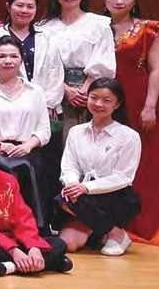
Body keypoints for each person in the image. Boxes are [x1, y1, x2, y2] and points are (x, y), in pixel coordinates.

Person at [103, 0, 159, 245]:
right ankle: (107, 224)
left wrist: (150, 105)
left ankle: (148, 223)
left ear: (135, 0)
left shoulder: (148, 29)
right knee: (107, 158)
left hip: (139, 98)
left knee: (144, 161)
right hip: (102, 100)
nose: (119, 1)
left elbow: (156, 69)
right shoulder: (96, 26)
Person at [0, 121, 73, 280]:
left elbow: (22, 215)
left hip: (11, 237)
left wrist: (33, 246)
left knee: (59, 244)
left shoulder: (9, 179)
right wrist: (13, 250)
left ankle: (5, 267)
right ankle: (47, 263)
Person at [57, 79, 142, 257]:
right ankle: (102, 231)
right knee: (68, 243)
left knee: (69, 200)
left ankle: (116, 235)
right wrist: (73, 185)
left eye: (106, 100)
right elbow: (69, 166)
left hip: (116, 196)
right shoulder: (76, 132)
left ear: (117, 104)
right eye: (94, 98)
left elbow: (123, 177)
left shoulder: (129, 136)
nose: (98, 104)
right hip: (82, 198)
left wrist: (86, 187)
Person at [0, 37, 54, 230]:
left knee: (30, 165)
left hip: (28, 149)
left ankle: (35, 227)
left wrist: (27, 146)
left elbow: (44, 129)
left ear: (21, 59)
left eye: (14, 56)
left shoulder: (35, 91)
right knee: (10, 167)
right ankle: (5, 227)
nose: (8, 61)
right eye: (2, 56)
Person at [34, 0, 117, 124]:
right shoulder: (43, 27)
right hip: (52, 91)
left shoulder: (99, 24)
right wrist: (64, 90)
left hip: (89, 93)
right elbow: (41, 64)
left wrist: (84, 91)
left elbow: (103, 60)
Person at [0, 0, 42, 83]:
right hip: (6, 90)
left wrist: (40, 92)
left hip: (44, 92)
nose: (24, 10)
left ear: (36, 9)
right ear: (8, 7)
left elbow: (54, 71)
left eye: (30, 7)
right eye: (20, 5)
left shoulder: (47, 36)